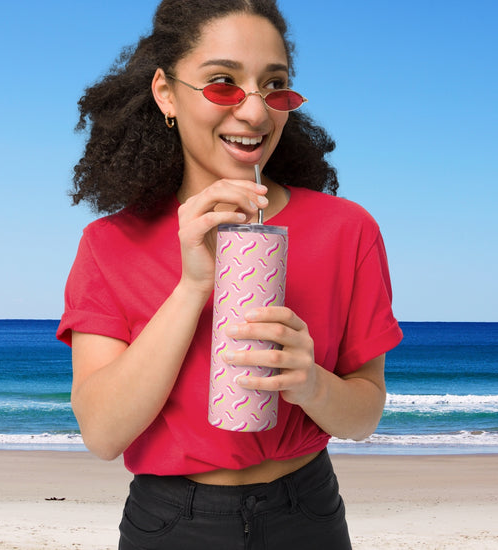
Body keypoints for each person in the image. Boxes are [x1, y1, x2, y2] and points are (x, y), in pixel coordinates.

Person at [57, 1, 403, 548]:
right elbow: (102, 433)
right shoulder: (109, 244)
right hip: (171, 520)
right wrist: (194, 285)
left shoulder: (348, 230)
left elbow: (364, 414)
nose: (256, 113)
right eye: (223, 84)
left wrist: (312, 383)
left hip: (307, 510)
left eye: (275, 86)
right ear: (166, 93)